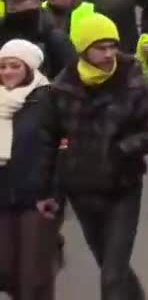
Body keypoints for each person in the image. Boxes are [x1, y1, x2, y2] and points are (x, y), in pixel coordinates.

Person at [43, 13, 148, 299]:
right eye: (100, 47)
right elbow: (49, 139)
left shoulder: (133, 79)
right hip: (81, 190)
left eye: (112, 46)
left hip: (122, 187)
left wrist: (124, 149)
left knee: (112, 276)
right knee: (110, 266)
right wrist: (54, 186)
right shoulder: (63, 87)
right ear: (83, 48)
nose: (108, 54)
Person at [0, 40, 58, 300]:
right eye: (2, 66)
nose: (7, 72)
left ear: (29, 68)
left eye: (15, 66)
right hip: (3, 196)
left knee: (32, 277)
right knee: (6, 271)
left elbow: (61, 148)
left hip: (36, 197)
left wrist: (54, 192)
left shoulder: (46, 99)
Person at [0, 0, 76, 81]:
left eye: (19, 0)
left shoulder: (54, 37)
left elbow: (69, 77)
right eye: (9, 0)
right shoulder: (2, 30)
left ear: (37, 2)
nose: (12, 4)